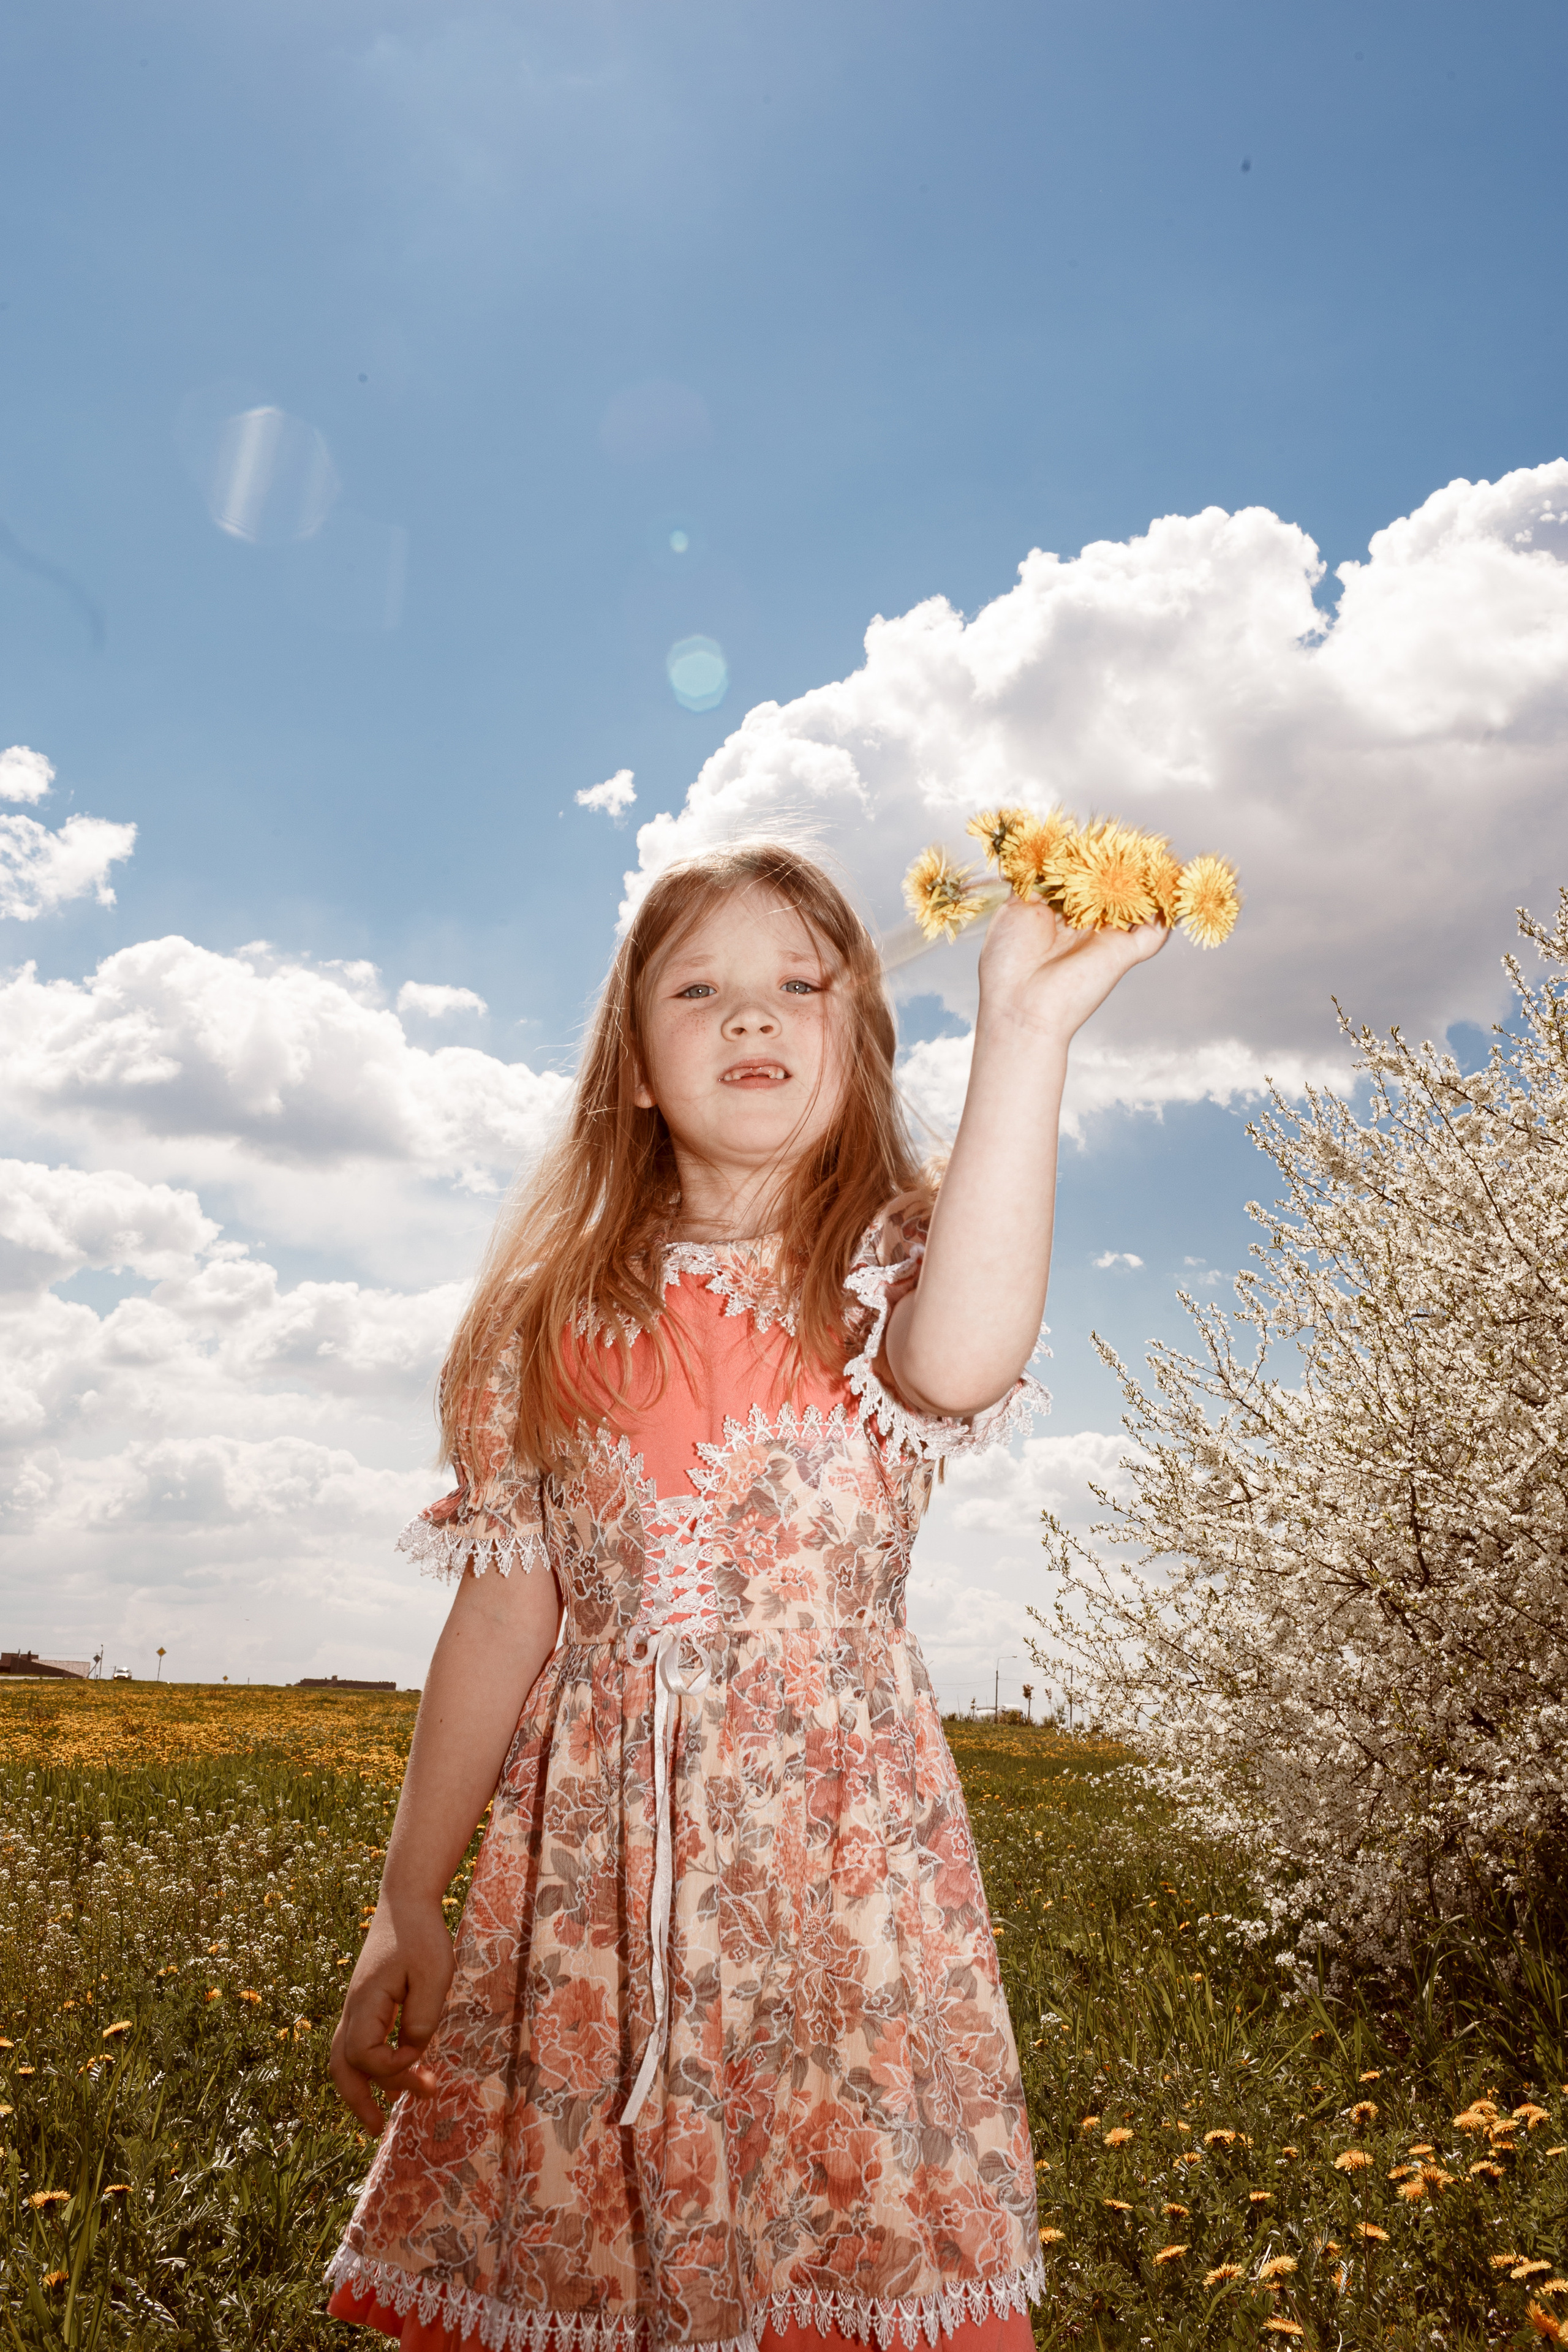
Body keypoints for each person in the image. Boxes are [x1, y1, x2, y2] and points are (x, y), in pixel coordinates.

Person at [326, 840, 1164, 2352]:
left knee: (825, 2264)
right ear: (633, 1068)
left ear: (858, 1045)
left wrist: (1025, 1031)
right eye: (698, 989)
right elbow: (504, 1622)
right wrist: (406, 1895)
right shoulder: (540, 1322)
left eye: (800, 986)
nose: (752, 1018)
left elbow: (962, 1362)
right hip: (594, 1895)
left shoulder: (891, 1270)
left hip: (839, 1889)